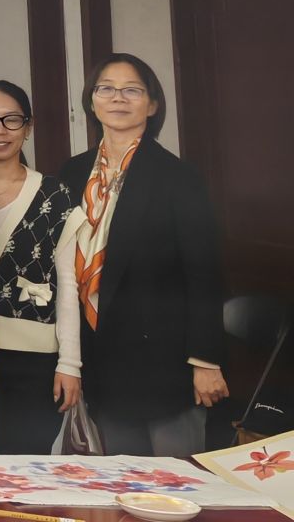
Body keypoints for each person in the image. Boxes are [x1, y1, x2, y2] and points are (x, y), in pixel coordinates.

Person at [59, 53, 226, 455]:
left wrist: (205, 360)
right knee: (123, 478)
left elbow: (204, 272)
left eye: (132, 90)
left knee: (177, 479)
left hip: (165, 362)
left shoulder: (178, 176)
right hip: (101, 356)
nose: (118, 98)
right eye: (106, 89)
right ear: (91, 101)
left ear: (152, 105)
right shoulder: (71, 174)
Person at [0, 80, 81, 454]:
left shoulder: (56, 196)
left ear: (28, 128)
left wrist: (70, 364)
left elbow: (69, 286)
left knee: (25, 469)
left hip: (35, 363)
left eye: (11, 120)